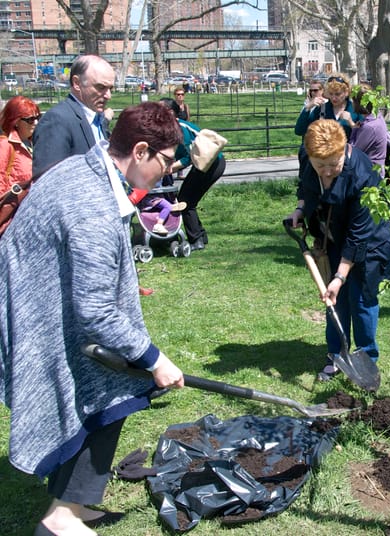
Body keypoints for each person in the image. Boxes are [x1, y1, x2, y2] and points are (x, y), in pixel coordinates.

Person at [0, 101, 185, 536]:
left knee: (111, 387)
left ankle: (75, 503)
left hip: (48, 299)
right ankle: (61, 518)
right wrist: (156, 360)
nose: (168, 172)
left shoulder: (88, 167)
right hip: (39, 312)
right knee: (108, 389)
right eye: (166, 162)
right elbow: (97, 310)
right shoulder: (93, 206)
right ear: (139, 151)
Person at [288, 119, 390, 381]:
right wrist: (300, 209)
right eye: (321, 166)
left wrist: (340, 277)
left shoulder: (361, 175)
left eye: (333, 165)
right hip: (336, 234)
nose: (327, 171)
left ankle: (366, 357)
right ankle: (336, 354)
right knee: (333, 300)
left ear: (344, 150)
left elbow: (358, 234)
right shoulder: (309, 156)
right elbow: (306, 186)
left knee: (361, 298)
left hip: (371, 238)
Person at [159, 97, 226, 251]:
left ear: (169, 112)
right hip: (204, 165)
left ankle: (196, 240)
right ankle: (201, 236)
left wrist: (169, 169)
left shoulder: (179, 128)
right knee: (189, 200)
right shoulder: (170, 129)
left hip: (212, 164)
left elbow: (189, 157)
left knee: (185, 201)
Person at [32, 55, 115, 177]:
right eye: (100, 87)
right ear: (77, 83)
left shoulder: (97, 118)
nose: (108, 95)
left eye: (110, 88)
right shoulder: (57, 121)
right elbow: (48, 183)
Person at [294, 74, 360, 139]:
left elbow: (364, 137)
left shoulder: (355, 109)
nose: (333, 98)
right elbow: (299, 131)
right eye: (331, 94)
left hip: (348, 149)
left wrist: (351, 123)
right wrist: (307, 108)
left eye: (337, 94)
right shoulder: (322, 109)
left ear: (346, 92)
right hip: (324, 149)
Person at [0, 96, 40, 192]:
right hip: (17, 205)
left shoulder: (35, 142)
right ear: (16, 122)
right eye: (30, 119)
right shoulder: (5, 145)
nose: (36, 122)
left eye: (38, 117)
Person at [349, 83, 388, 176]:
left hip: (370, 174)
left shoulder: (370, 127)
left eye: (353, 101)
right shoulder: (377, 117)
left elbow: (353, 153)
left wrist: (353, 130)